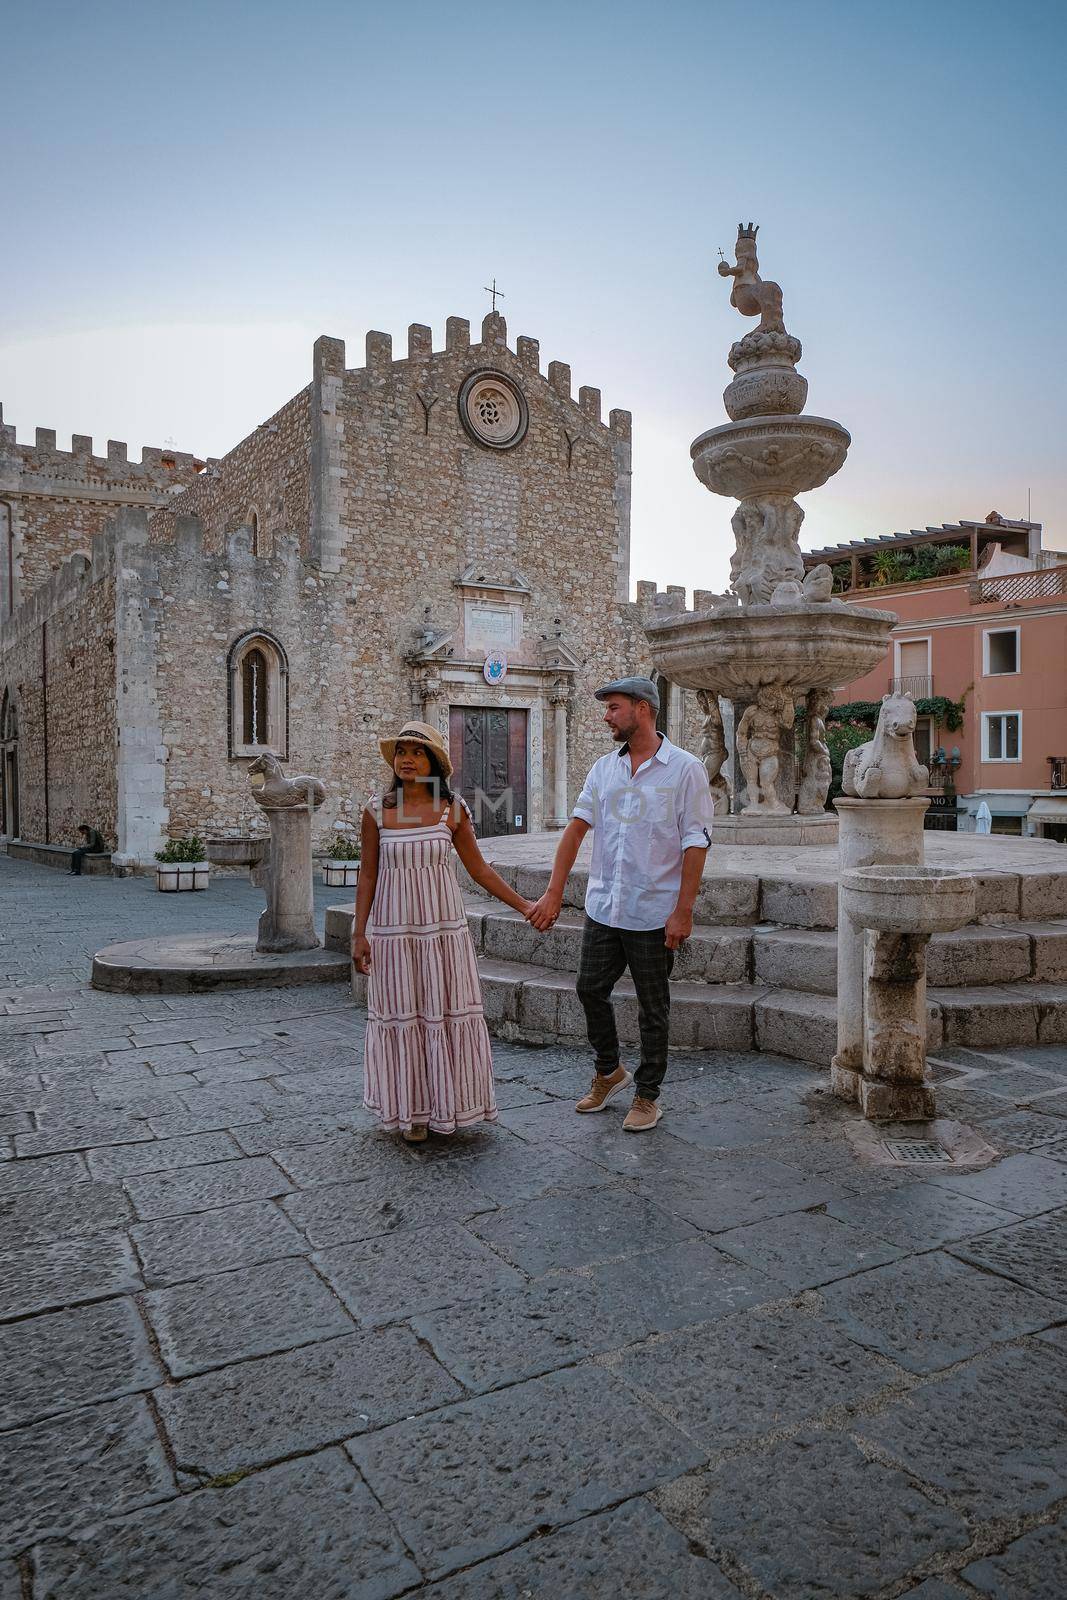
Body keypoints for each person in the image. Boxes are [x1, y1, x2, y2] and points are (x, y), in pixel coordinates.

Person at [529, 677, 713, 1131]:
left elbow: (695, 842)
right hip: (603, 907)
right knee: (589, 988)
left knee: (654, 1006)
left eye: (613, 707)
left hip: (654, 911)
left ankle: (648, 1095)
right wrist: (555, 891)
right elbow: (575, 830)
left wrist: (683, 910)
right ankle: (609, 1070)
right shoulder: (603, 769)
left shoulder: (686, 769)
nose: (606, 716)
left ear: (643, 709)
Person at [352, 720, 536, 1143]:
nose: (408, 760)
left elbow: (479, 869)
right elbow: (367, 875)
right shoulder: (377, 810)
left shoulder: (453, 811)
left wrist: (525, 905)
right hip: (394, 931)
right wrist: (359, 934)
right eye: (402, 753)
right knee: (404, 1013)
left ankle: (447, 1104)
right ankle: (412, 1111)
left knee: (442, 1010)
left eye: (417, 753)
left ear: (434, 762)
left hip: (442, 931)